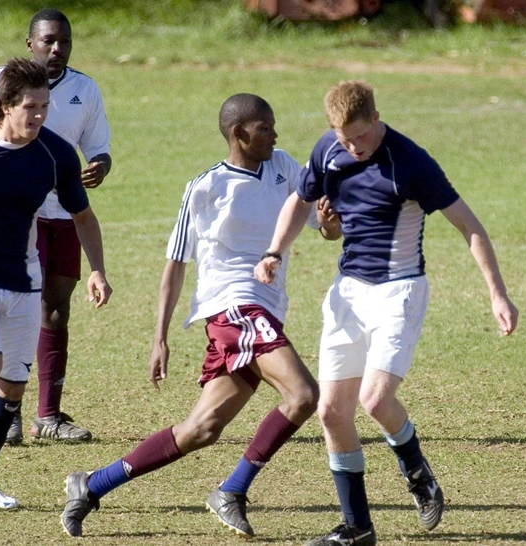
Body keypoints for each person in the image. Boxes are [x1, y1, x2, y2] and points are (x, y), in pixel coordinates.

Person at [255, 80, 518, 546]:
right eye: (342, 138)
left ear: (376, 119)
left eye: (358, 136)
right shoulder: (328, 150)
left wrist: (497, 294)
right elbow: (299, 201)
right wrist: (275, 250)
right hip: (348, 293)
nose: (352, 147)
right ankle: (357, 527)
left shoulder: (410, 162)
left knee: (375, 400)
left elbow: (469, 227)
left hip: (400, 291)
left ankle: (418, 473)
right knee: (332, 412)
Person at [60, 93, 330, 539]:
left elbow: (323, 226)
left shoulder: (285, 166)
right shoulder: (205, 188)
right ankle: (232, 491)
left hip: (263, 310)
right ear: (238, 133)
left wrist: (330, 218)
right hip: (233, 308)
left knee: (201, 429)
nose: (275, 133)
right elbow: (175, 264)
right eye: (265, 127)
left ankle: (90, 485)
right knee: (302, 395)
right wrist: (160, 336)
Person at [0, 57, 111, 509]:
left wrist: (97, 269)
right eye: (31, 107)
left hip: (23, 278)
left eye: (45, 105)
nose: (40, 115)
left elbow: (83, 214)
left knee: (13, 386)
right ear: (4, 106)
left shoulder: (54, 153)